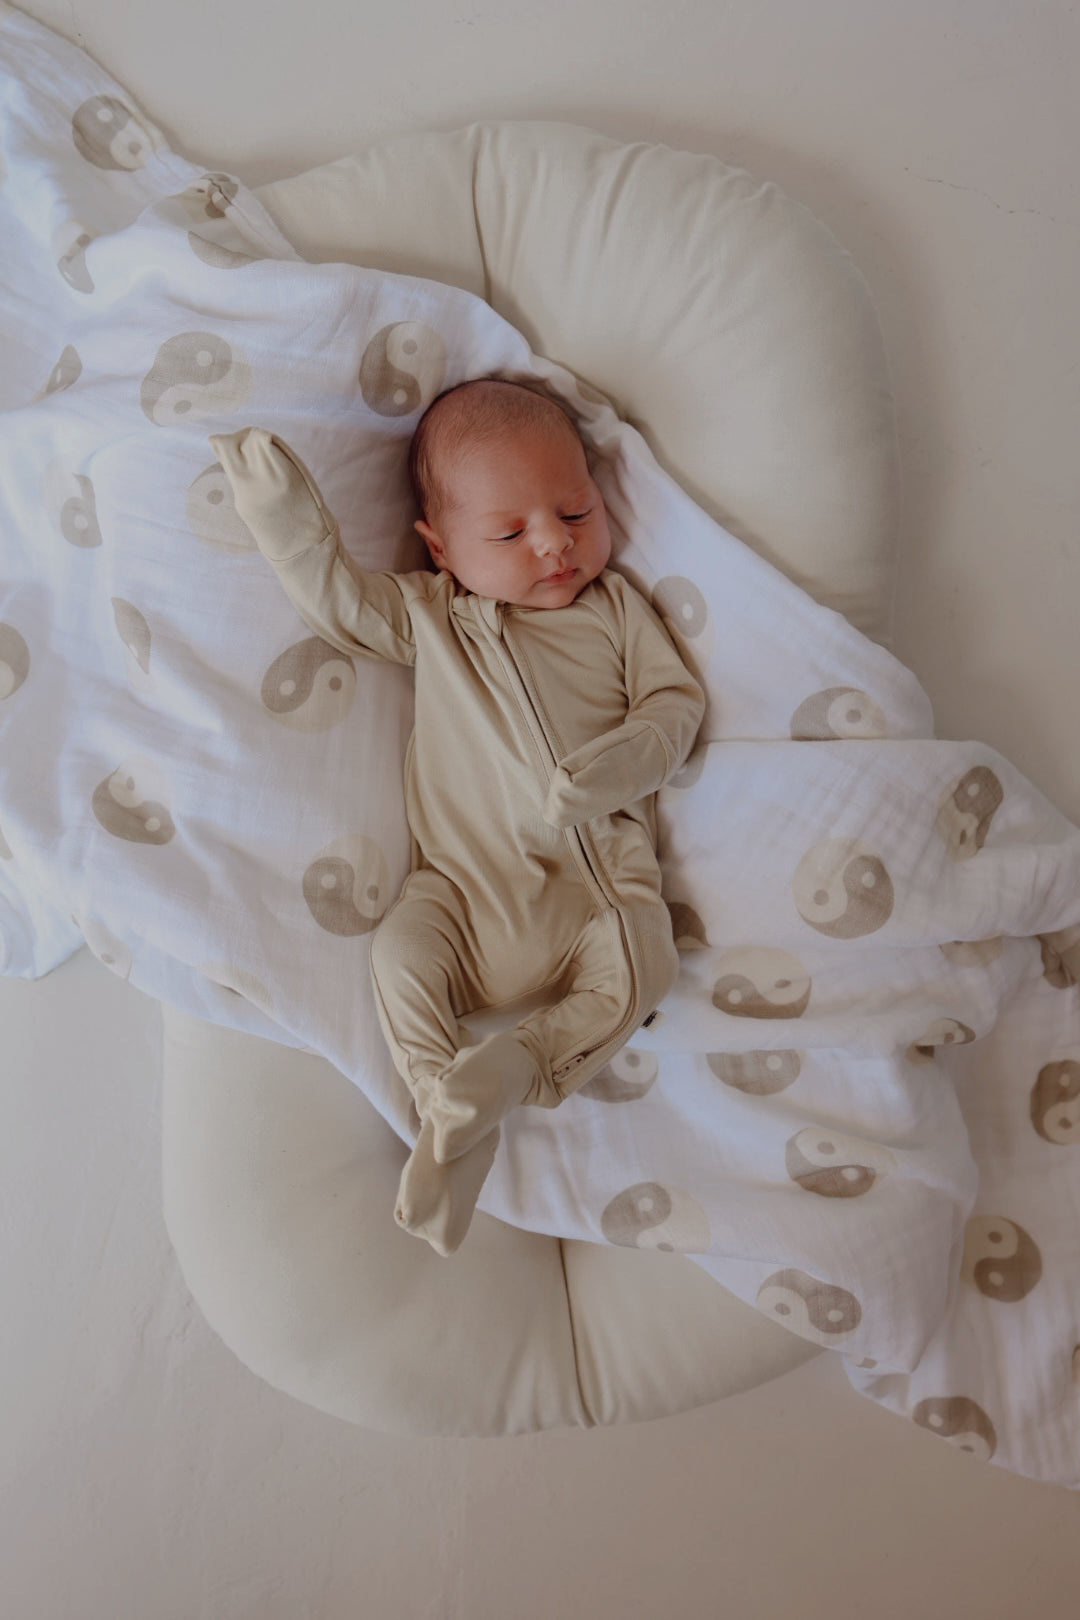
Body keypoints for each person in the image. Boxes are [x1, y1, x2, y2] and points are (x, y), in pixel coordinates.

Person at [211, 377, 704, 1255]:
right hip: (463, 897)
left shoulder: (616, 611)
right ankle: (443, 1094)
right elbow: (338, 602)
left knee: (645, 964)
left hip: (593, 888)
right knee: (401, 953)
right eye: (511, 533)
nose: (554, 544)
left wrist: (617, 767)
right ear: (439, 549)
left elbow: (673, 708)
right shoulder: (432, 620)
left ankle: (511, 1071)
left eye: (577, 511)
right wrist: (283, 515)